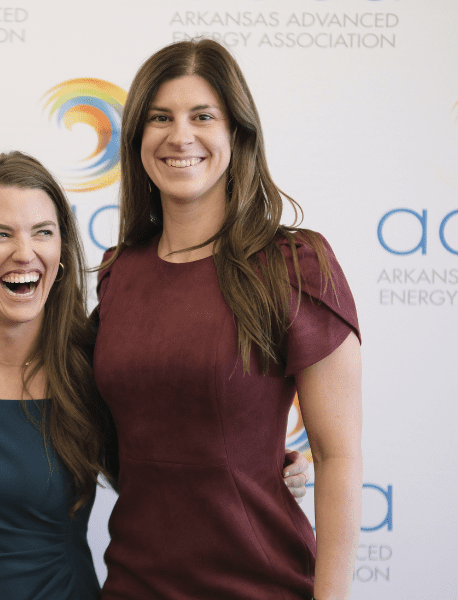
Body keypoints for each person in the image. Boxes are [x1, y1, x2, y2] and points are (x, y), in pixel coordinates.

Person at [0, 152, 310, 600]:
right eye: (0, 235)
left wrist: (264, 467)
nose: (24, 252)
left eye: (43, 233)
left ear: (62, 251)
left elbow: (171, 466)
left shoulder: (95, 361)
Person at [93, 39, 363, 600]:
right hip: (133, 585)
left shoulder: (295, 265)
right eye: (160, 118)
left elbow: (338, 457)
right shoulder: (120, 274)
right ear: (138, 138)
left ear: (237, 134)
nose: (180, 136)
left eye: (202, 116)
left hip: (260, 586)